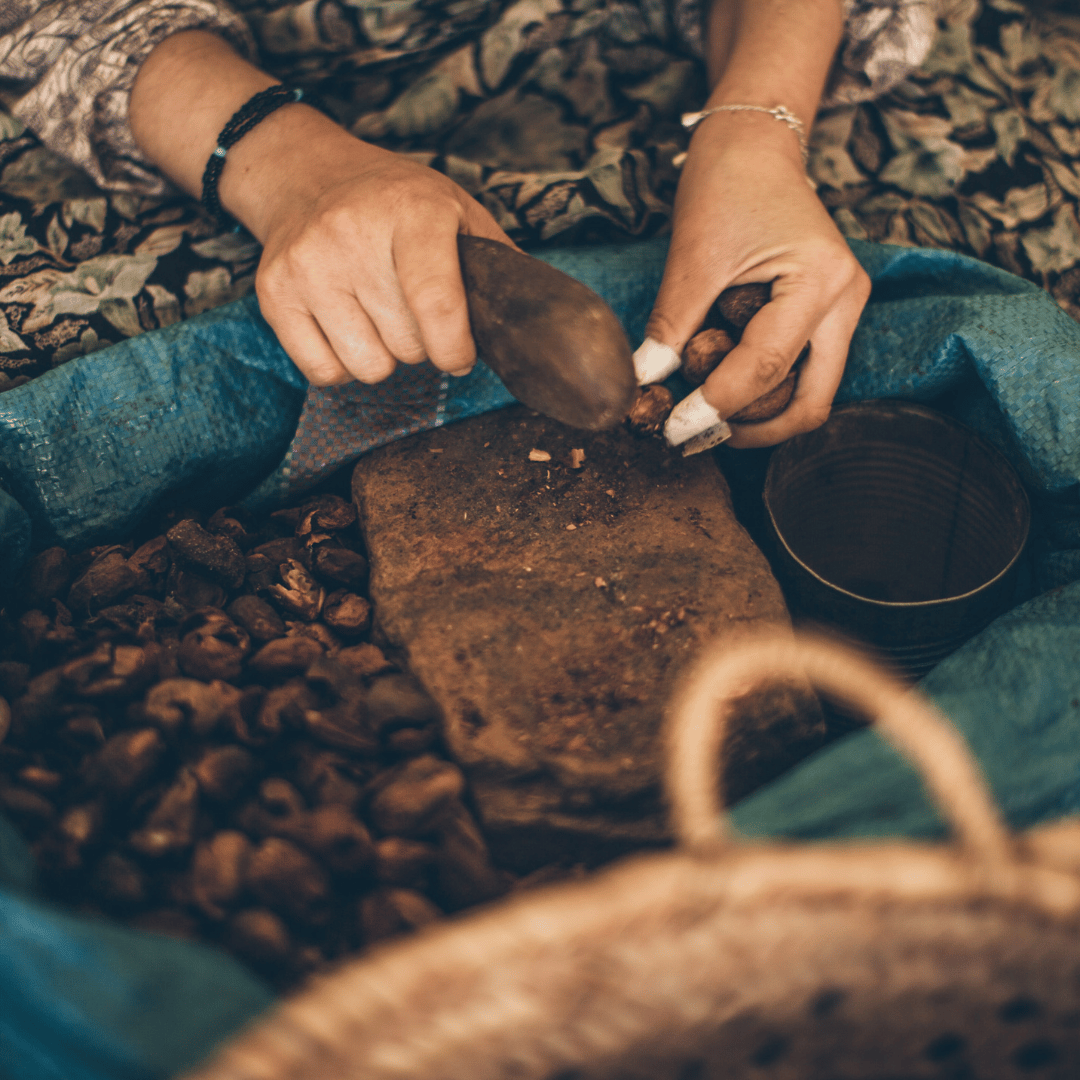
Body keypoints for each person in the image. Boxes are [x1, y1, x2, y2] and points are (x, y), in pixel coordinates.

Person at [1, 0, 938, 456]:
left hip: (688, 48)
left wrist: (756, 135)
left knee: (905, 275)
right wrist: (290, 172)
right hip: (214, 91)